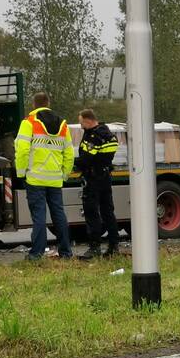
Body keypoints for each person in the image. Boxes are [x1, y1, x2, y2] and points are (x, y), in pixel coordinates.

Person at [14, 93, 73, 260]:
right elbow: (69, 152)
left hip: (35, 177)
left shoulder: (29, 122)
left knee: (39, 216)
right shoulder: (63, 124)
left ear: (34, 104)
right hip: (55, 178)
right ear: (48, 103)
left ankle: (37, 253)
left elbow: (23, 150)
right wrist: (65, 173)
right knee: (59, 214)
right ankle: (66, 252)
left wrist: (21, 172)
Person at [76, 109, 120, 259]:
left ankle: (94, 248)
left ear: (88, 120)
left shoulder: (93, 136)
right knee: (108, 212)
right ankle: (114, 246)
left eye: (81, 122)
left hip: (93, 178)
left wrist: (71, 162)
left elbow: (86, 159)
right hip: (105, 176)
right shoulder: (108, 135)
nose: (81, 126)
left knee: (91, 212)